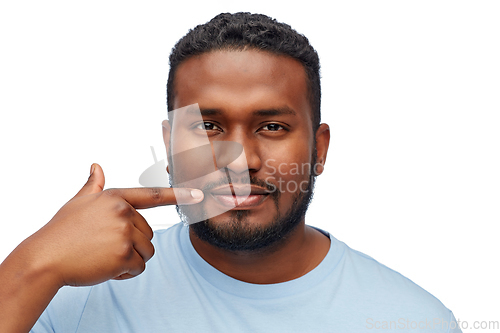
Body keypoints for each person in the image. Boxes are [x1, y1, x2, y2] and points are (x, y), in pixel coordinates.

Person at [0, 12, 461, 333]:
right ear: (169, 146)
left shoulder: (417, 320)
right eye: (207, 127)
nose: (238, 159)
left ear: (319, 149)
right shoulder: (70, 292)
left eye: (273, 126)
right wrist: (35, 264)